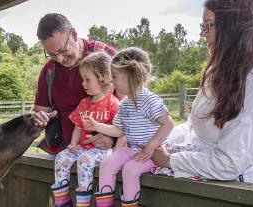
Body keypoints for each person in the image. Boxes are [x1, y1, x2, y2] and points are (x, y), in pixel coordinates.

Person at [151, 0, 253, 187]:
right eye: (202, 25)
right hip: (214, 186)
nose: (202, 33)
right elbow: (194, 126)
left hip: (246, 191)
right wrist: (153, 141)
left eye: (208, 25)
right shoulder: (222, 73)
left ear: (234, 27)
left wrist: (169, 160)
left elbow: (229, 164)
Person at [82, 47, 175, 207]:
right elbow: (119, 130)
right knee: (106, 164)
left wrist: (152, 146)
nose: (111, 80)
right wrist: (97, 126)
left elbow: (168, 124)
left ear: (131, 76)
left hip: (151, 153)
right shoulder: (125, 102)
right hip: (132, 149)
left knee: (130, 170)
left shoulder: (149, 101)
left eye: (115, 76)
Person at [31, 13, 118, 154]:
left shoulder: (106, 57)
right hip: (65, 151)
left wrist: (113, 138)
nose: (59, 59)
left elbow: (134, 108)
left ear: (74, 34)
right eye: (52, 54)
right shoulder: (49, 70)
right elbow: (39, 111)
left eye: (62, 50)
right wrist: (38, 116)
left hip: (104, 154)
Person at [51, 52, 119, 207]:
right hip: (82, 148)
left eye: (87, 79)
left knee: (85, 160)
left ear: (102, 79)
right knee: (61, 158)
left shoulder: (113, 103)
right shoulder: (84, 103)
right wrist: (73, 144)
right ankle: (62, 201)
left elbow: (119, 129)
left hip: (102, 151)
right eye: (83, 79)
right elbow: (78, 127)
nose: (83, 83)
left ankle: (83, 204)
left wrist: (108, 138)